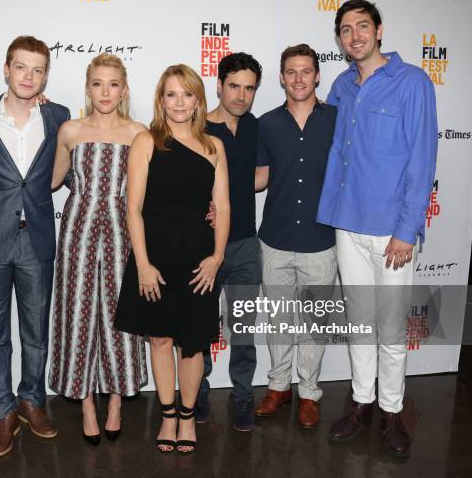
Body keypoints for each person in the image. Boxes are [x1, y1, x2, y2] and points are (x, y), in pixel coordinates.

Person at [317, 0, 438, 457]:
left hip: (392, 232)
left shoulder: (412, 83)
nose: (355, 36)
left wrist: (408, 229)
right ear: (341, 39)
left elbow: (422, 160)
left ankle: (391, 410)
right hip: (347, 225)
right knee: (360, 324)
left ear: (379, 30)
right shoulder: (342, 86)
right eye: (345, 30)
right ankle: (361, 403)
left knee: (389, 327)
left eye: (362, 26)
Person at [0, 36, 70, 457]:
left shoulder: (58, 116)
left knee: (36, 332)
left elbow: (78, 169)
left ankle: (32, 401)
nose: (29, 76)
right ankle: (2, 411)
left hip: (39, 239)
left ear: (45, 75)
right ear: (6, 69)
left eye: (37, 69)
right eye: (21, 67)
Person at [115, 64, 230, 453]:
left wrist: (216, 257)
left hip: (199, 258)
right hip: (157, 256)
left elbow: (224, 207)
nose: (179, 102)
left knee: (194, 343)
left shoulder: (215, 147)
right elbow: (133, 208)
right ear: (161, 100)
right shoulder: (147, 141)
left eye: (187, 94)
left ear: (198, 100)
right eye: (171, 94)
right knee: (161, 339)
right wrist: (143, 264)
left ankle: (187, 415)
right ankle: (167, 415)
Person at [49, 53, 148, 446]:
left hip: (125, 229)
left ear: (123, 89)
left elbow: (153, 188)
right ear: (87, 87)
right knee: (78, 312)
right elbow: (52, 180)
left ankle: (116, 402)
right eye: (97, 84)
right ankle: (87, 402)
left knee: (120, 314)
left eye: (113, 84)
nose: (104, 92)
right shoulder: (69, 130)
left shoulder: (140, 132)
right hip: (78, 228)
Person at [254, 44, 337, 429]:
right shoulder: (267, 123)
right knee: (278, 320)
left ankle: (308, 392)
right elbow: (258, 178)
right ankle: (278, 386)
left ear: (318, 75)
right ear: (282, 78)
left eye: (306, 71)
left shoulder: (337, 119)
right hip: (275, 238)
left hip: (322, 239)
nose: (299, 78)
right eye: (291, 72)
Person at [197, 52, 263, 432]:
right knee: (201, 326)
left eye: (249, 88)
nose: (240, 95)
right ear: (218, 85)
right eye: (234, 86)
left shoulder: (257, 127)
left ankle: (242, 397)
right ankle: (199, 391)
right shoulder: (197, 126)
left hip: (244, 245)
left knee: (243, 328)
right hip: (204, 247)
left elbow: (260, 177)